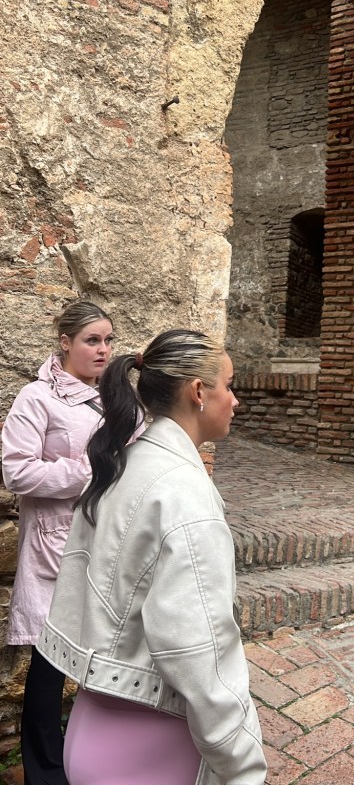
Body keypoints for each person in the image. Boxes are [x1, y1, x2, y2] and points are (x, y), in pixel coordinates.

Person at [36, 329, 267, 785]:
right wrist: (243, 762)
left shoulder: (121, 463)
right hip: (151, 745)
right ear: (198, 392)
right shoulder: (185, 495)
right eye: (229, 385)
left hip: (91, 723)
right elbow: (196, 649)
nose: (235, 400)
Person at [1, 300, 114, 785]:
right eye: (92, 340)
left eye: (108, 340)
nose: (103, 350)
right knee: (49, 667)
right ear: (65, 342)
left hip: (107, 542)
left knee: (101, 658)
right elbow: (17, 472)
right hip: (56, 546)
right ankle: (44, 773)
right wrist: (91, 472)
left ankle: (92, 759)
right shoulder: (37, 398)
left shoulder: (113, 397)